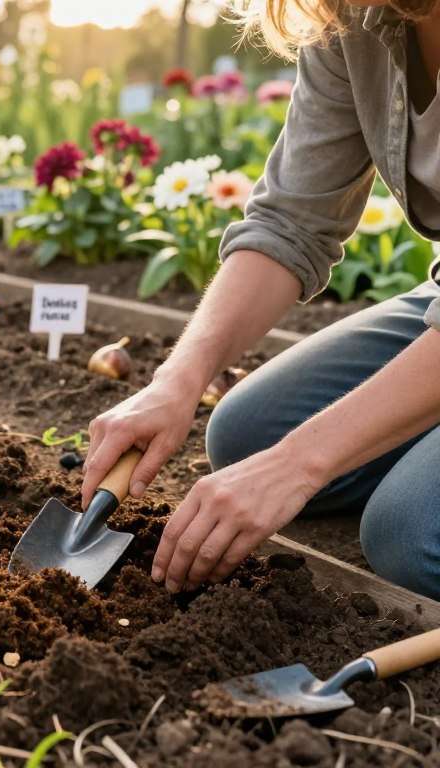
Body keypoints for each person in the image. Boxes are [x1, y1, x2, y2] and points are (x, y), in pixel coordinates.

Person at [82, 0, 440, 599]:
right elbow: (290, 223)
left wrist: (299, 464)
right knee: (248, 434)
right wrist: (178, 379)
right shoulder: (352, 18)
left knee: (410, 534)